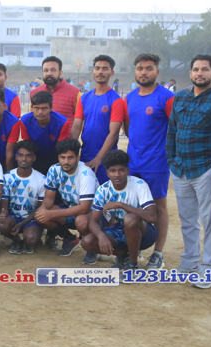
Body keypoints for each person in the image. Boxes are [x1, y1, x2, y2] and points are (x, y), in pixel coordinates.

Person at [167, 54, 211, 287]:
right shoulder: (181, 97)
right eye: (196, 69)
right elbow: (172, 131)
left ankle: (208, 269)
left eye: (205, 69)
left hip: (207, 169)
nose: (200, 73)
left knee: (210, 220)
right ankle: (190, 261)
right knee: (187, 219)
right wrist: (171, 159)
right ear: (190, 73)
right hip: (180, 169)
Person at [124, 53, 174, 270]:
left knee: (158, 208)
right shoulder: (129, 98)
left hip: (157, 164)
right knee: (133, 208)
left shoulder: (167, 97)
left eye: (149, 68)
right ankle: (135, 249)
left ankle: (158, 253)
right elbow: (129, 129)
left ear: (157, 72)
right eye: (140, 68)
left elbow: (175, 129)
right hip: (133, 164)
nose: (143, 72)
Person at [82, 149, 158, 274]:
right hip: (120, 230)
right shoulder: (103, 190)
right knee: (87, 241)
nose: (117, 174)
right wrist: (101, 236)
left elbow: (152, 217)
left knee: (130, 219)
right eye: (113, 171)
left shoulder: (139, 184)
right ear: (107, 173)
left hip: (145, 233)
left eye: (121, 170)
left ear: (127, 171)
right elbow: (93, 221)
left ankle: (133, 265)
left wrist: (120, 205)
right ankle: (123, 256)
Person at [36, 139, 98, 256]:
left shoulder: (86, 174)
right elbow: (49, 197)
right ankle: (70, 239)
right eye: (62, 157)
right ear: (58, 157)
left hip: (92, 213)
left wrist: (51, 214)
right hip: (70, 208)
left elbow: (84, 208)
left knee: (81, 221)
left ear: (78, 157)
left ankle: (92, 248)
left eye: (70, 158)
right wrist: (43, 209)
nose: (66, 162)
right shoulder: (54, 169)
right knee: (40, 215)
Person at [70, 55, 125, 184]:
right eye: (97, 68)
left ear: (111, 73)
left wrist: (99, 158)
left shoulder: (116, 100)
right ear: (93, 72)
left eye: (105, 69)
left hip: (106, 159)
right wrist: (71, 152)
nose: (100, 72)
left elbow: (114, 133)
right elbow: (76, 127)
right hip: (85, 156)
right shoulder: (84, 98)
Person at [0, 140, 45, 255]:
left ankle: (28, 241)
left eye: (28, 156)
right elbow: (4, 203)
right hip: (13, 217)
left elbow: (39, 208)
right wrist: (4, 215)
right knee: (2, 224)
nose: (24, 159)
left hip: (31, 219)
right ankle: (16, 240)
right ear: (16, 157)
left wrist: (22, 224)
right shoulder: (7, 177)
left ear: (34, 158)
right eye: (20, 155)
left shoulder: (42, 180)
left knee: (31, 239)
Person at [11, 90, 72, 175]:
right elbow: (28, 145)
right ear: (32, 107)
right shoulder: (25, 120)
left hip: (53, 156)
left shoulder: (62, 122)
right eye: (36, 108)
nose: (40, 112)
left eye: (44, 108)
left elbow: (61, 149)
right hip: (34, 156)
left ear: (51, 108)